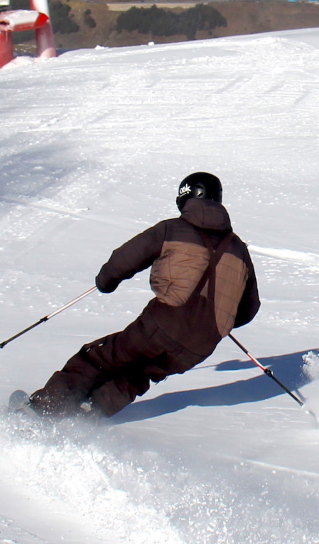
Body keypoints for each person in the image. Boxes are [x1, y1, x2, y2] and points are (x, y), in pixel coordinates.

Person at [28, 172, 260, 418]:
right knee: (138, 374)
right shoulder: (239, 250)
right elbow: (248, 309)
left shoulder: (172, 229)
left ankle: (43, 410)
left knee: (100, 358)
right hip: (202, 345)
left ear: (186, 198)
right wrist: (212, 317)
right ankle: (87, 418)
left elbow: (124, 259)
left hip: (162, 323)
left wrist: (106, 281)